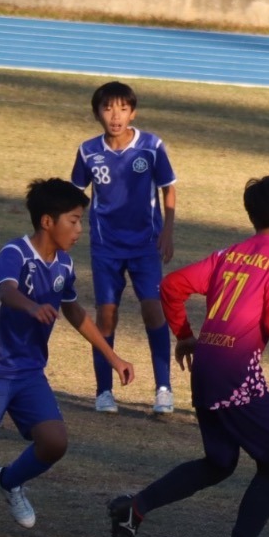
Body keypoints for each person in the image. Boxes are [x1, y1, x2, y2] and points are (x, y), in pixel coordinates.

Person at [107, 175, 269, 537]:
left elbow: (171, 285)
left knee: (220, 462)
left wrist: (186, 336)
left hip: (206, 364)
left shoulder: (230, 253)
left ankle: (135, 508)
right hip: (235, 372)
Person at [0, 179, 134, 535]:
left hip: (28, 371)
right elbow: (7, 290)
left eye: (81, 221)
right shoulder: (14, 253)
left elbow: (74, 311)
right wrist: (32, 307)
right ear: (47, 221)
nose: (79, 229)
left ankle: (9, 481)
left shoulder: (64, 265)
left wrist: (113, 356)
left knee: (54, 442)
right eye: (74, 220)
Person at [70, 81, 179, 415]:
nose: (115, 116)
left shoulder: (151, 146)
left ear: (133, 112)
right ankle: (104, 391)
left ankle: (163, 389)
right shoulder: (88, 151)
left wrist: (168, 230)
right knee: (106, 315)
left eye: (122, 109)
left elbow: (168, 188)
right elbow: (74, 195)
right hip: (106, 247)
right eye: (107, 109)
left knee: (153, 309)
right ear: (97, 113)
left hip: (145, 245)